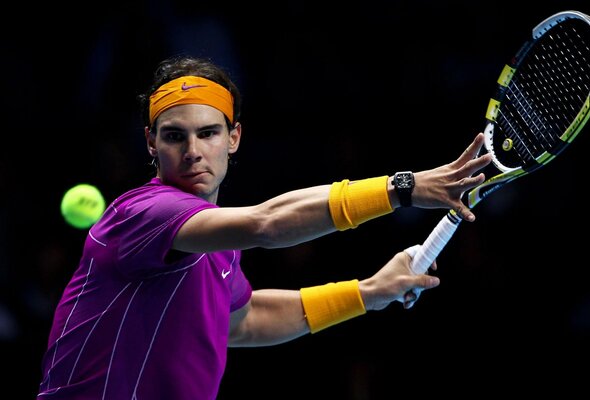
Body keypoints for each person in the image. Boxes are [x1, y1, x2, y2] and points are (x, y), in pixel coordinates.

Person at [37, 55, 492, 399]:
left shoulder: (218, 242)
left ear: (233, 138)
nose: (193, 150)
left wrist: (368, 293)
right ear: (150, 143)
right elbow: (267, 223)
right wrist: (401, 189)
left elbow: (243, 320)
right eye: (174, 135)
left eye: (208, 133)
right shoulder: (144, 213)